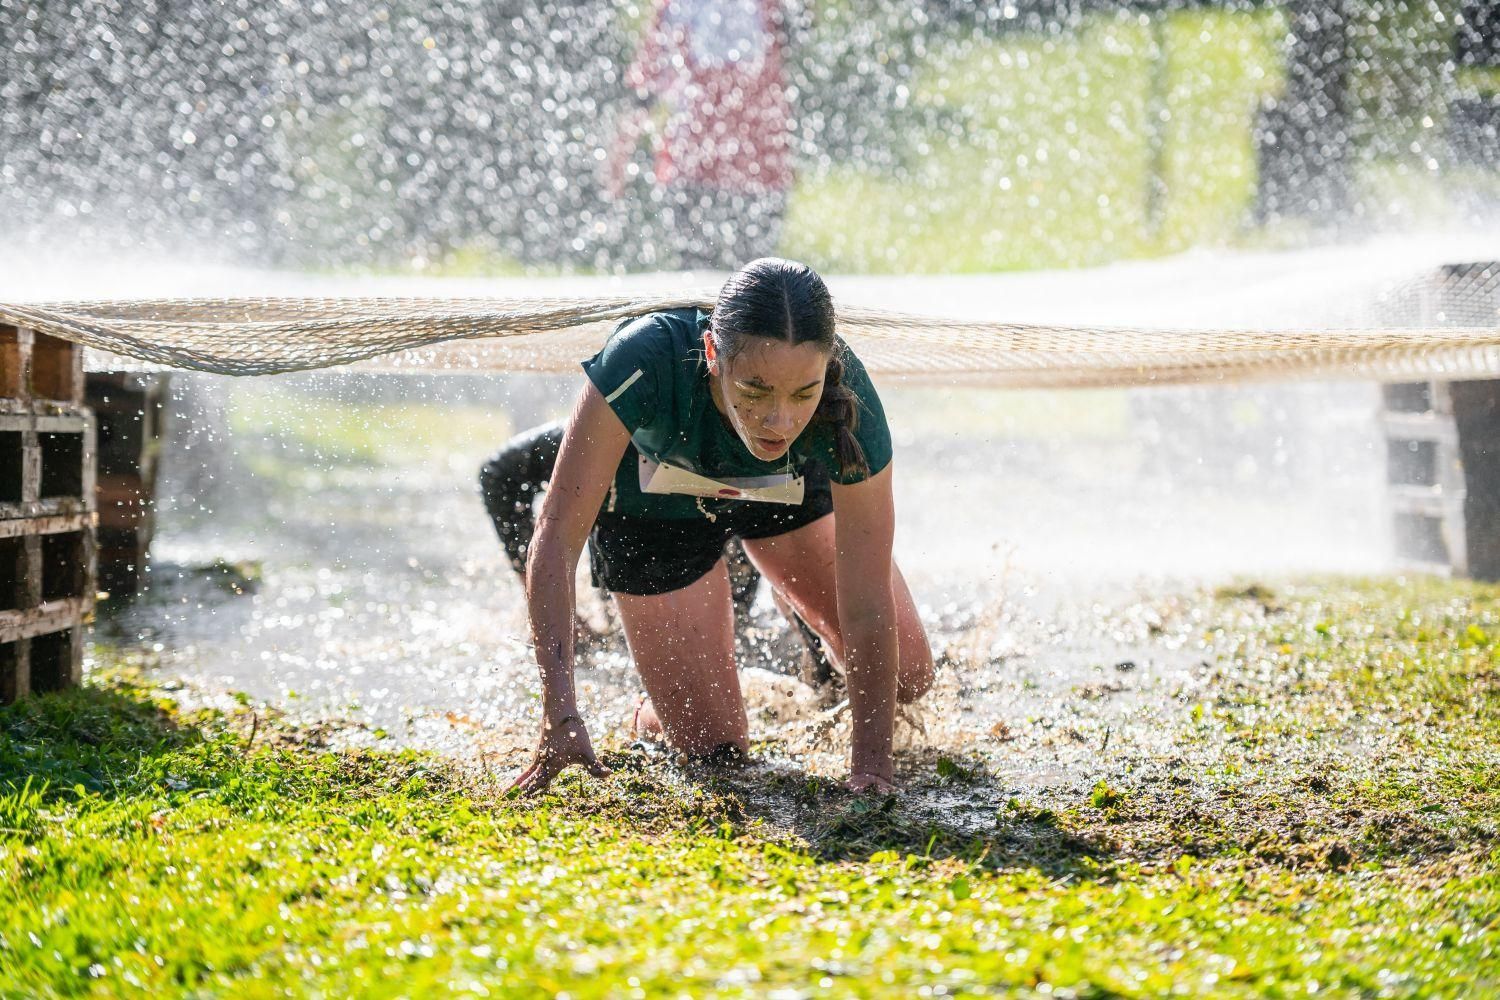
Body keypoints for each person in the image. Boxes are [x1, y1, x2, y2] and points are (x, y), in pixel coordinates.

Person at [510, 258, 934, 795]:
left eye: (803, 393)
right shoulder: (643, 356)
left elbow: (869, 600)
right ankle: (654, 707)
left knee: (908, 677)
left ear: (828, 367)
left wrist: (870, 767)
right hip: (653, 507)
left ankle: (798, 603)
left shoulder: (852, 403)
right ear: (712, 354)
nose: (779, 420)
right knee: (716, 751)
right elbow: (555, 537)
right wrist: (561, 712)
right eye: (755, 391)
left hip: (780, 490)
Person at [480, 421, 839, 686]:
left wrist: (820, 659)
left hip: (736, 581)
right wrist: (543, 593)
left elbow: (804, 552)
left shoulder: (774, 440)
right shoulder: (610, 434)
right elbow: (498, 474)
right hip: (637, 582)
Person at [604, 0, 795, 270]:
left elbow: (646, 86)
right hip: (701, 170)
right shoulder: (676, 6)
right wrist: (620, 153)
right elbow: (645, 87)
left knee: (754, 279)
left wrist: (620, 153)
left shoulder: (772, 5)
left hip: (754, 171)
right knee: (714, 276)